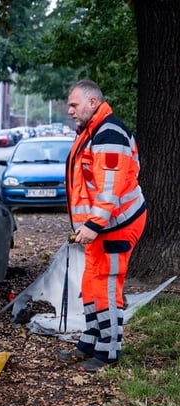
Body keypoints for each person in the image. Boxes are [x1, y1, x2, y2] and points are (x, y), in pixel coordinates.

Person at [57, 79, 147, 372]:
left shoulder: (108, 133)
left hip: (116, 225)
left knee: (106, 286)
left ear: (93, 103)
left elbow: (110, 186)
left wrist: (94, 223)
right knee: (92, 283)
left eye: (74, 104)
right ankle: (91, 339)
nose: (69, 110)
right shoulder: (93, 131)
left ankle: (108, 351)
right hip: (104, 225)